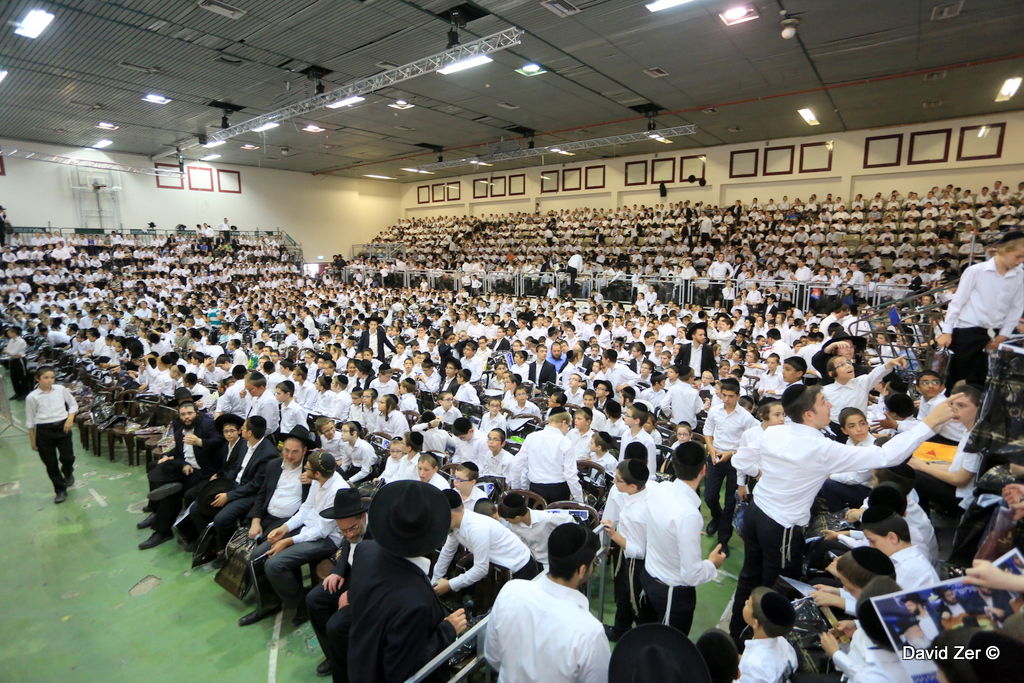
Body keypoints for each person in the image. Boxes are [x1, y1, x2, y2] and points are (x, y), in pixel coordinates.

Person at [727, 383, 957, 639]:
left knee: (749, 575)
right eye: (823, 401)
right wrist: (930, 423)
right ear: (809, 414)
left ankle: (737, 634)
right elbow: (886, 457)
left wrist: (764, 475)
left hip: (757, 512)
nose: (830, 405)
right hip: (782, 526)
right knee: (777, 587)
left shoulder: (773, 432)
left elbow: (740, 460)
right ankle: (762, 643)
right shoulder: (821, 448)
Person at [346, 481, 468, 682]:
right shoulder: (415, 600)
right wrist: (447, 631)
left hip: (359, 662)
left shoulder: (365, 550)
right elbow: (401, 670)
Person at [485, 522, 611, 683]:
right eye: (594, 562)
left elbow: (493, 655)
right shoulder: (590, 632)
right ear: (581, 570)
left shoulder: (511, 591)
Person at [240, 449, 347, 627]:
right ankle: (270, 603)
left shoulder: (337, 490)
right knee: (258, 554)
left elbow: (321, 531)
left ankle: (301, 605)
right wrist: (284, 528)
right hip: (307, 529)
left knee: (274, 564)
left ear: (317, 473)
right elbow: (305, 509)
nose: (305, 470)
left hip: (326, 539)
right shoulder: (318, 481)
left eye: (308, 468)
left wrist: (288, 541)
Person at [642, 442, 727, 635]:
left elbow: (660, 522)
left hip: (649, 575)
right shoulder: (689, 515)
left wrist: (683, 534)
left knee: (648, 633)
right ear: (703, 470)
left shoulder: (660, 489)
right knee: (671, 643)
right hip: (671, 591)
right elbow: (691, 574)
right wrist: (713, 564)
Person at [937, 230, 1024, 388]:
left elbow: (1016, 308)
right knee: (958, 382)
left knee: (984, 383)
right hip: (967, 331)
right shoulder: (976, 271)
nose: (1021, 261)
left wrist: (1002, 336)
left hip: (995, 334)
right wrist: (947, 331)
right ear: (1003, 250)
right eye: (1018, 256)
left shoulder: (1019, 275)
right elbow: (958, 302)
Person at [137, 400, 225, 549]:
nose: (186, 417)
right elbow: (178, 453)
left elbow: (220, 441)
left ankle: (163, 528)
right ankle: (160, 523)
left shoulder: (207, 425)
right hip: (188, 470)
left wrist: (200, 442)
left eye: (189, 413)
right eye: (183, 414)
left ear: (197, 413)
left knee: (174, 492)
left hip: (206, 473)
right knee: (160, 474)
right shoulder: (179, 431)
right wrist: (183, 464)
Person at [305, 488, 368, 681]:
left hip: (370, 585)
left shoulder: (378, 532)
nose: (349, 534)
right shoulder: (350, 529)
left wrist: (352, 594)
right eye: (343, 530)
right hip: (352, 574)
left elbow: (380, 573)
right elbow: (346, 544)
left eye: (352, 529)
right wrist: (338, 571)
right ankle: (334, 656)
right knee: (314, 599)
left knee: (336, 625)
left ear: (362, 517)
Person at [432, 489, 538, 596]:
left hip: (520, 569)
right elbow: (447, 552)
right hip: (499, 569)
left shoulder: (476, 528)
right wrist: (435, 581)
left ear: (449, 514)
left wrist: (450, 584)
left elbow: (481, 569)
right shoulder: (456, 525)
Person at [601, 458, 656, 640]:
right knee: (624, 597)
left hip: (637, 565)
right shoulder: (645, 490)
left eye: (618, 480)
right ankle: (620, 629)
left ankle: (643, 639)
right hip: (628, 559)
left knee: (637, 603)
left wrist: (614, 535)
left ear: (632, 486)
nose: (614, 482)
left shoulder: (638, 514)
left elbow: (640, 551)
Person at [702, 378, 757, 552]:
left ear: (738, 396)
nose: (726, 399)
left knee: (729, 503)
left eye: (731, 396)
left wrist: (731, 453)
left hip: (735, 461)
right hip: (716, 457)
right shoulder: (715, 411)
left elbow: (749, 445)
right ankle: (717, 517)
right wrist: (711, 449)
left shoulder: (746, 418)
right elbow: (708, 431)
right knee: (710, 496)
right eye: (724, 395)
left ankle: (723, 541)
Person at [25, 366, 79, 504]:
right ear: (38, 379)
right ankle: (60, 490)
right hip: (44, 431)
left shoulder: (61, 390)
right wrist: (32, 441)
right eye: (46, 378)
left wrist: (70, 418)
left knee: (68, 457)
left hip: (63, 427)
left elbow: (73, 405)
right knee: (51, 464)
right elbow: (30, 421)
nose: (49, 380)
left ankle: (68, 471)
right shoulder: (32, 397)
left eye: (52, 377)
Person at [511, 411, 583, 503]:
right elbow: (570, 475)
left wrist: (516, 489)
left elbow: (517, 465)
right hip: (559, 490)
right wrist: (579, 501)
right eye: (568, 427)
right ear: (564, 422)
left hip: (535, 489)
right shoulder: (565, 442)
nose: (567, 430)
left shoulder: (531, 437)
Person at [860, 506, 938, 590]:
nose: (870, 546)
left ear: (892, 538)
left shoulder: (908, 569)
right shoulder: (909, 561)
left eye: (872, 541)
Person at [496, 492, 575, 566]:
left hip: (556, 560)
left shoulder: (545, 519)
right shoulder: (514, 526)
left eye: (507, 520)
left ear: (517, 517)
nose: (507, 522)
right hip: (536, 561)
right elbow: (522, 545)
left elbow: (570, 521)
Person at [737, 588, 798, 683]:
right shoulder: (785, 644)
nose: (745, 602)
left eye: (748, 604)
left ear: (756, 623)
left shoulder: (754, 665)